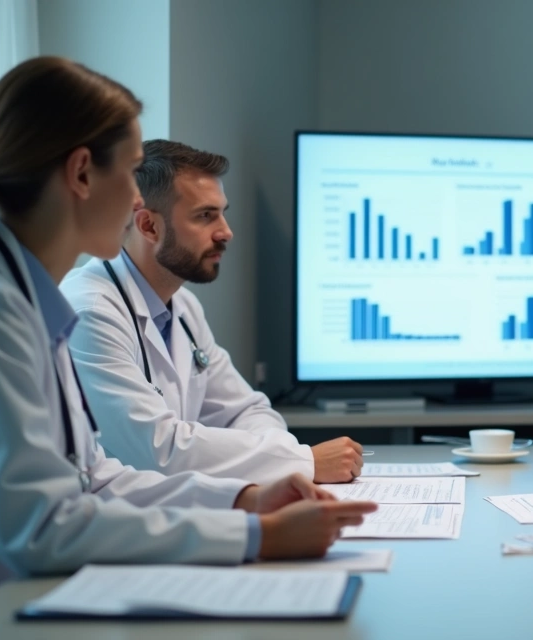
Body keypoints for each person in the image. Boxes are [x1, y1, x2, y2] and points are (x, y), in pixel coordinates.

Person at [0, 57, 376, 628]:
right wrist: (256, 535)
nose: (134, 201)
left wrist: (245, 502)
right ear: (80, 174)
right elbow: (43, 528)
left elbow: (96, 479)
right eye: (129, 173)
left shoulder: (22, 302)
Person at [60, 140, 363, 484]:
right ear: (148, 226)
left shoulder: (183, 306)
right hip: (106, 525)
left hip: (175, 509)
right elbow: (159, 450)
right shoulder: (90, 311)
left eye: (222, 212)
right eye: (205, 216)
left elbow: (246, 411)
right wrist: (300, 461)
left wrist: (281, 463)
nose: (226, 232)